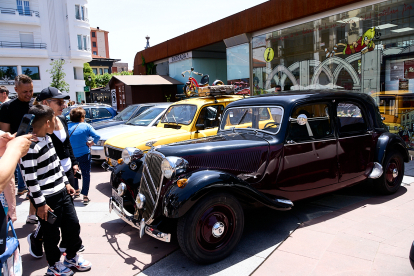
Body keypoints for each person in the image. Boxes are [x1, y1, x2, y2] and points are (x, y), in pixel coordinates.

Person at [20, 105, 92, 276]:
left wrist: (66, 182)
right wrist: (40, 204)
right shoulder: (29, 146)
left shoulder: (48, 138)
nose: (57, 122)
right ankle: (53, 265)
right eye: (54, 120)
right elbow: (30, 179)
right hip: (46, 200)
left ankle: (72, 257)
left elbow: (57, 164)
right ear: (47, 122)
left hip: (62, 192)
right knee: (51, 235)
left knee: (73, 225)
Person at [27, 87, 82, 259]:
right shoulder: (38, 132)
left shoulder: (62, 121)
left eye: (63, 102)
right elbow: (30, 175)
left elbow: (67, 145)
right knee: (52, 220)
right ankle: (38, 239)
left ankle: (70, 245)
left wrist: (73, 163)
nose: (63, 105)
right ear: (45, 103)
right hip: (46, 181)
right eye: (58, 102)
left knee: (68, 216)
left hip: (63, 175)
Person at [0, 74, 37, 224]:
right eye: (24, 92)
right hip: (17, 152)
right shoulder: (7, 107)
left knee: (36, 184)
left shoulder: (35, 105)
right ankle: (9, 217)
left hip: (36, 149)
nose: (29, 95)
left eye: (31, 91)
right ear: (16, 90)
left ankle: (33, 214)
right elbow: (5, 138)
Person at [68, 107, 100, 205]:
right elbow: (97, 136)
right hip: (84, 154)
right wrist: (91, 143)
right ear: (82, 117)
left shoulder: (67, 126)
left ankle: (76, 190)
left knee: (75, 172)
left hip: (71, 155)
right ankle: (85, 196)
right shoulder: (86, 126)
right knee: (86, 174)